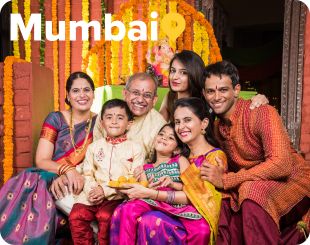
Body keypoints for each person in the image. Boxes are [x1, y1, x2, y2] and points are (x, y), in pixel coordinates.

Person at [200, 60, 310, 244]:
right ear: (204, 94)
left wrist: (228, 180)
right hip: (255, 185)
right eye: (211, 91)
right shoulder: (217, 126)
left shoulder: (260, 112)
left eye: (223, 90)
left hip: (295, 181)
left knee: (251, 192)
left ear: (236, 90)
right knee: (224, 199)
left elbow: (281, 164)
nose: (216, 97)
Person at [0, 71, 97, 244]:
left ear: (93, 94)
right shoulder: (56, 119)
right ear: (67, 95)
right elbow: (42, 160)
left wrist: (76, 175)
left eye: (86, 90)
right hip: (53, 175)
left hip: (84, 180)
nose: (82, 95)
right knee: (36, 180)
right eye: (75, 91)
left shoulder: (101, 122)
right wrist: (67, 171)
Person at [115, 98, 227, 245]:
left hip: (194, 215)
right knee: (133, 213)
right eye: (178, 122)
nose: (181, 127)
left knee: (156, 221)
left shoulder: (214, 158)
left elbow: (200, 199)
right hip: (165, 208)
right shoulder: (180, 156)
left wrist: (152, 193)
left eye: (187, 120)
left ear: (204, 124)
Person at [69, 99, 145, 245]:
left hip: (117, 195)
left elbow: (132, 178)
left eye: (120, 117)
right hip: (91, 193)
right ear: (102, 123)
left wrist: (104, 190)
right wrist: (92, 190)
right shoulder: (94, 147)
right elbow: (87, 172)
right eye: (109, 117)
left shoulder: (135, 148)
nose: (114, 121)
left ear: (129, 123)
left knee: (105, 217)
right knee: (76, 215)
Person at [159, 50, 268, 122]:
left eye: (183, 72)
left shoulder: (207, 99)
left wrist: (259, 99)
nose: (175, 77)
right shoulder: (170, 97)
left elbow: (234, 107)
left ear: (194, 74)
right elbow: (157, 127)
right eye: (173, 71)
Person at [93, 72, 166, 160]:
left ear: (154, 100)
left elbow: (156, 163)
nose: (140, 100)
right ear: (125, 93)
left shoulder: (159, 126)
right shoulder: (107, 113)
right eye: (135, 93)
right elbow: (95, 151)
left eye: (147, 95)